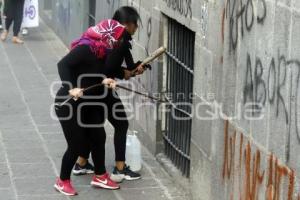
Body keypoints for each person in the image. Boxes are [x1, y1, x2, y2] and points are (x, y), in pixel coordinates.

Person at [73, 6, 147, 183]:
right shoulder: (119, 41)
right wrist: (124, 73)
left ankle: (81, 163)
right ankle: (120, 169)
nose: (136, 27)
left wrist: (135, 69)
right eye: (135, 24)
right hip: (101, 88)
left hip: (91, 86)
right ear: (127, 24)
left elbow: (126, 67)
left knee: (94, 126)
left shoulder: (114, 37)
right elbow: (108, 68)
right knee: (121, 124)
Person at [54, 19, 129, 196]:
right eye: (117, 38)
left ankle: (100, 176)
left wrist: (104, 80)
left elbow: (94, 71)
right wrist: (71, 87)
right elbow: (62, 65)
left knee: (98, 135)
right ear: (108, 36)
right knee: (77, 144)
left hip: (88, 103)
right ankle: (62, 180)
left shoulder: (102, 50)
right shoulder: (86, 48)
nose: (119, 42)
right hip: (69, 104)